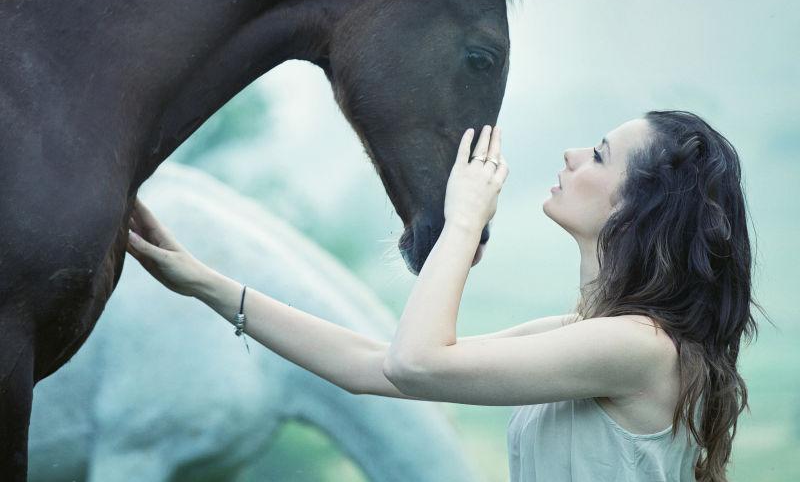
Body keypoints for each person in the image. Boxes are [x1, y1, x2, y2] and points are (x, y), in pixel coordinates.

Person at [127, 111, 757, 482]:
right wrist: (204, 282)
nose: (571, 154)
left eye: (598, 155)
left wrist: (462, 222)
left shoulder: (638, 348)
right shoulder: (588, 336)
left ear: (638, 205)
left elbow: (417, 361)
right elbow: (371, 367)